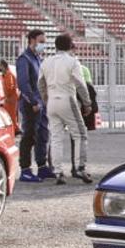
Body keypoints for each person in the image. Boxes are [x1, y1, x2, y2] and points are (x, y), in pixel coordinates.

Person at [40, 33, 93, 185]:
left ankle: (57, 172)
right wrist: (87, 102)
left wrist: (45, 99)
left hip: (52, 100)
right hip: (67, 99)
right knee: (80, 134)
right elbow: (80, 84)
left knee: (56, 137)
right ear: (70, 46)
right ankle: (80, 167)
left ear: (56, 46)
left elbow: (40, 83)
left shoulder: (46, 62)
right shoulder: (72, 62)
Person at [16, 29, 54, 183]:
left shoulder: (38, 59)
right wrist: (32, 101)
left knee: (43, 135)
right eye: (41, 42)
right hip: (30, 104)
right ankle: (25, 169)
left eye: (44, 42)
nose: (43, 45)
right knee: (29, 136)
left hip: (42, 103)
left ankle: (42, 166)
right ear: (32, 40)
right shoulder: (24, 59)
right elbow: (24, 83)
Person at [0, 59, 19, 134]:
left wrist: (7, 98)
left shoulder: (8, 75)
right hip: (9, 98)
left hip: (11, 99)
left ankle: (14, 129)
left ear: (3, 66)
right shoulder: (6, 74)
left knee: (11, 115)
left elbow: (10, 87)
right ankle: (14, 128)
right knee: (10, 115)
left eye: (0, 65)